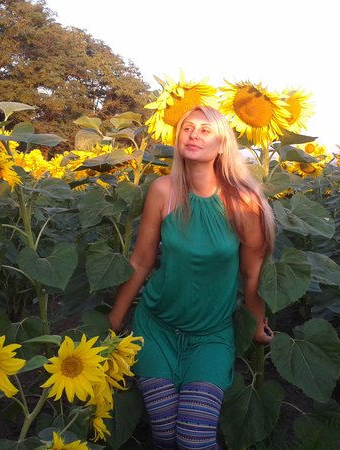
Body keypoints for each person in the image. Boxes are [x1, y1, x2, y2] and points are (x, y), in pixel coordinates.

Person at [108, 105, 275, 450]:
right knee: (164, 434)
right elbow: (142, 260)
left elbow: (252, 273)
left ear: (222, 144)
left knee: (193, 438)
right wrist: (113, 321)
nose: (193, 135)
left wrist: (258, 326)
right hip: (156, 328)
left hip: (211, 335)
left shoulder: (243, 203)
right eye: (187, 128)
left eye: (204, 130)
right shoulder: (163, 191)